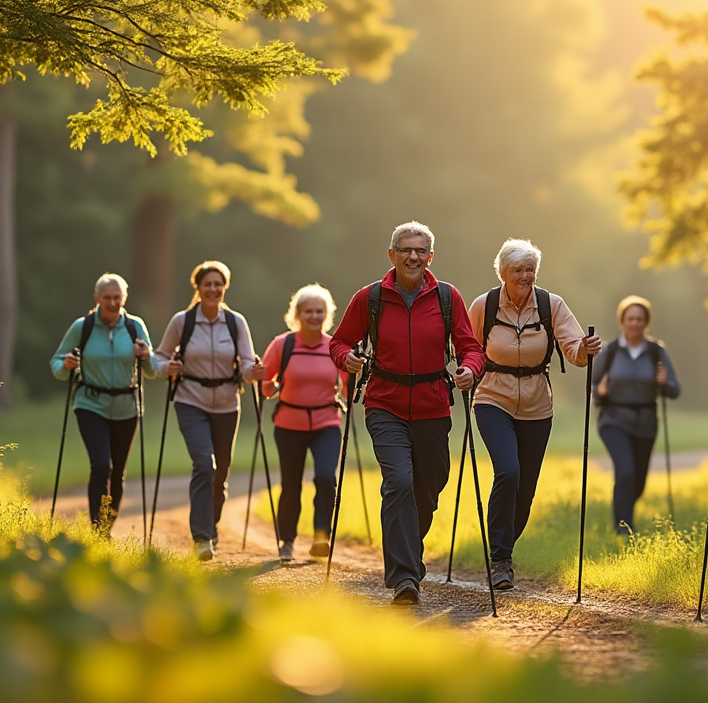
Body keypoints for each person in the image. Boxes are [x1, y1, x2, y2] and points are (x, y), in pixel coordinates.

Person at [330, 221, 485, 606]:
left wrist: (470, 369)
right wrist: (346, 358)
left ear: (430, 257)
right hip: (385, 403)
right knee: (398, 481)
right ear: (392, 255)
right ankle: (404, 577)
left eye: (420, 251)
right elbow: (339, 342)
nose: (412, 257)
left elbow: (471, 347)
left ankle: (408, 549)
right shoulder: (370, 298)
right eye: (405, 250)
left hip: (433, 405)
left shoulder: (448, 298)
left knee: (429, 487)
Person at [468, 238, 599, 590]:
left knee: (525, 489)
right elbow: (467, 346)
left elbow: (572, 348)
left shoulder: (550, 304)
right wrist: (467, 370)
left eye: (530, 270)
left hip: (538, 406)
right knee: (508, 472)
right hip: (492, 398)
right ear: (503, 273)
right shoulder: (485, 305)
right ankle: (500, 560)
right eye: (518, 271)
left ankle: (504, 550)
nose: (525, 276)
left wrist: (584, 350)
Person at [152, 261, 264, 561]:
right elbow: (158, 357)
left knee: (220, 472)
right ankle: (201, 536)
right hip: (191, 401)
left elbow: (245, 365)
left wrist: (255, 371)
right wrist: (167, 368)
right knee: (204, 463)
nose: (213, 289)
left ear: (224, 288)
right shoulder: (182, 322)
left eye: (218, 284)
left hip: (227, 403)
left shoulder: (235, 322)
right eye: (208, 284)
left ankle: (210, 525)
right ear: (198, 288)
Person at [50, 273, 158, 532]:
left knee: (117, 472)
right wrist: (66, 365)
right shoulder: (82, 327)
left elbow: (153, 370)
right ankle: (97, 528)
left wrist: (146, 356)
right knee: (101, 465)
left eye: (117, 297)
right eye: (107, 297)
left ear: (124, 298)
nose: (112, 303)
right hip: (90, 404)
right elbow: (56, 363)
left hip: (126, 407)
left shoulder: (135, 326)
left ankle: (106, 528)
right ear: (96, 298)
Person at [261, 284, 348, 562]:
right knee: (291, 484)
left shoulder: (334, 347)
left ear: (327, 314)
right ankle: (287, 540)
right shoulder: (282, 344)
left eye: (319, 311)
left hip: (326, 423)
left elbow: (348, 388)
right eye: (308, 311)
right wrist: (262, 380)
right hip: (289, 424)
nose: (314, 316)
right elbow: (265, 383)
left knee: (325, 477)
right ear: (297, 314)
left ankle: (322, 535)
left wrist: (361, 382)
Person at [593, 295, 681, 537]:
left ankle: (623, 516)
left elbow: (674, 390)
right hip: (613, 420)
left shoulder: (656, 352)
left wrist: (664, 384)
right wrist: (599, 392)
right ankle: (623, 530)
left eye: (639, 319)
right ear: (622, 321)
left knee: (638, 482)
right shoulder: (610, 351)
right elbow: (591, 387)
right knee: (626, 472)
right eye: (630, 319)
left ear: (646, 322)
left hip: (645, 422)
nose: (635, 323)